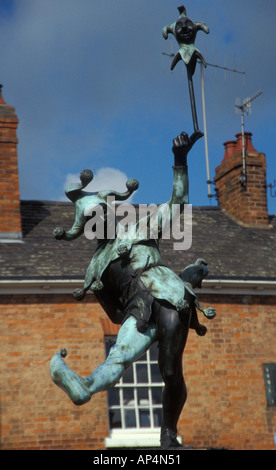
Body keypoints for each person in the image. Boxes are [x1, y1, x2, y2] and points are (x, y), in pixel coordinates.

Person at [50, 130, 215, 448]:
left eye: (102, 214)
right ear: (87, 228)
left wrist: (179, 161)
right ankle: (85, 386)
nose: (100, 221)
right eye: (92, 220)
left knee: (169, 369)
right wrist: (129, 317)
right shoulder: (95, 268)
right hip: (136, 311)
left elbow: (177, 205)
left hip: (167, 297)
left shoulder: (141, 227)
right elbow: (113, 311)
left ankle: (168, 434)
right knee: (117, 358)